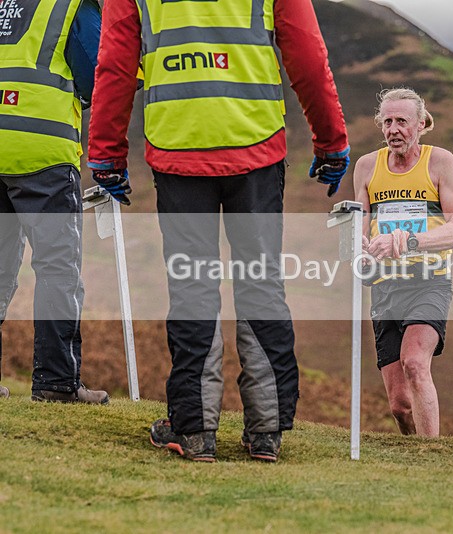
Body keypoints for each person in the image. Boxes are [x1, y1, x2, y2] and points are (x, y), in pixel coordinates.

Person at [88, 0, 349, 461]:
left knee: (192, 287)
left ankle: (194, 430)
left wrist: (106, 152)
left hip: (178, 147)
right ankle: (266, 430)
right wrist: (331, 141)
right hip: (256, 148)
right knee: (261, 283)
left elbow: (115, 62)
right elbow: (307, 54)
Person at [0, 0, 109, 404]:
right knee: (57, 268)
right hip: (41, 151)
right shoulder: (68, 6)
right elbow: (97, 73)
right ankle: (56, 382)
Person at [353, 87, 453, 437]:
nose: (393, 129)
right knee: (399, 406)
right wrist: (358, 247)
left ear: (420, 124)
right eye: (387, 121)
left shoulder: (440, 162)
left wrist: (411, 241)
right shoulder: (366, 167)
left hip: (429, 282)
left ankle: (432, 459)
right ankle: (413, 450)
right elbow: (359, 228)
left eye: (401, 121)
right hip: (385, 288)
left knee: (416, 364)